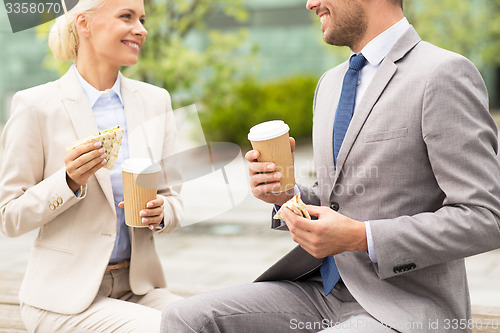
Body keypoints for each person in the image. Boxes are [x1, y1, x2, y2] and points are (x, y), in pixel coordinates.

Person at [161, 0, 500, 332]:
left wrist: (361, 237)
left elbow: (487, 217)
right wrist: (286, 195)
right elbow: (334, 199)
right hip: (320, 292)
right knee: (184, 318)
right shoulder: (329, 84)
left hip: (404, 304)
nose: (310, 4)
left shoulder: (443, 73)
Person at [0, 0, 184, 331]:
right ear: (84, 24)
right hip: (61, 298)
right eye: (126, 17)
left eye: (142, 19)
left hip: (138, 289)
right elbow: (9, 218)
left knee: (211, 321)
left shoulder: (157, 101)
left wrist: (160, 213)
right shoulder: (34, 106)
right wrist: (68, 181)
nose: (141, 29)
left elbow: (173, 200)